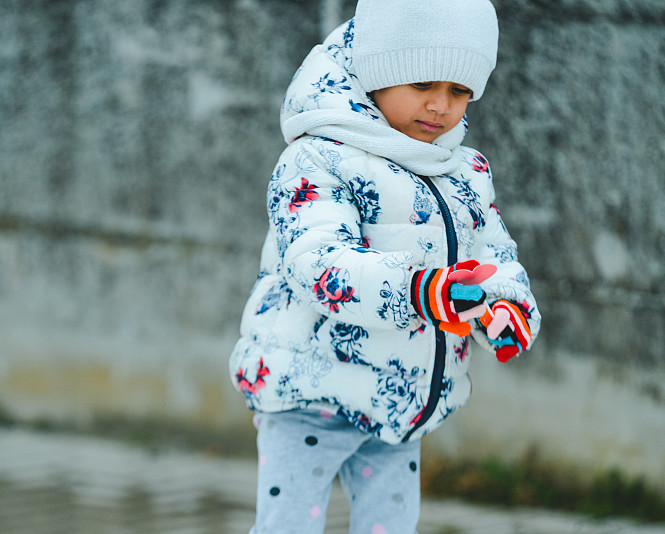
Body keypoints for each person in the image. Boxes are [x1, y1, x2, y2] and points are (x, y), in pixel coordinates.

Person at [229, 0, 541, 532]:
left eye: (460, 91)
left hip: (403, 402)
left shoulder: (462, 170)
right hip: (310, 393)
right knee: (288, 525)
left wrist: (507, 311)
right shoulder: (319, 158)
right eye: (421, 84)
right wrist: (421, 290)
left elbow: (495, 257)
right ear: (379, 73)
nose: (441, 106)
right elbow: (319, 266)